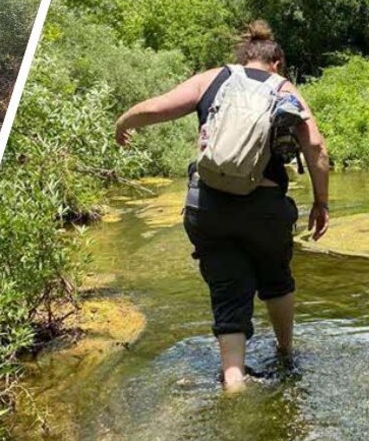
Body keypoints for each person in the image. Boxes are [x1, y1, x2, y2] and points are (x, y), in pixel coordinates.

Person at [114, 21, 330, 393]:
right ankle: (285, 352)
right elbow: (316, 148)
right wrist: (321, 202)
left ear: (244, 56)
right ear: (276, 62)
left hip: (209, 205)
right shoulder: (283, 88)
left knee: (229, 292)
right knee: (276, 278)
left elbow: (157, 109)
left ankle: (233, 381)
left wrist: (125, 120)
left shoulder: (214, 79)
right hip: (264, 206)